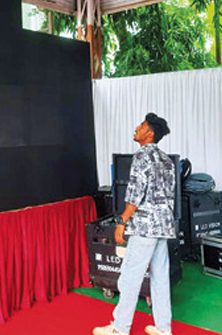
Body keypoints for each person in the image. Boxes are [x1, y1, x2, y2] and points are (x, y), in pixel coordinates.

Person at [94, 113, 176, 335]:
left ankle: (120, 328)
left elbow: (135, 195)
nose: (137, 128)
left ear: (149, 133)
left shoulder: (141, 157)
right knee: (160, 277)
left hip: (144, 227)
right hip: (163, 226)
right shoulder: (167, 160)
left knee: (130, 276)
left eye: (141, 125)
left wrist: (122, 221)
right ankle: (163, 328)